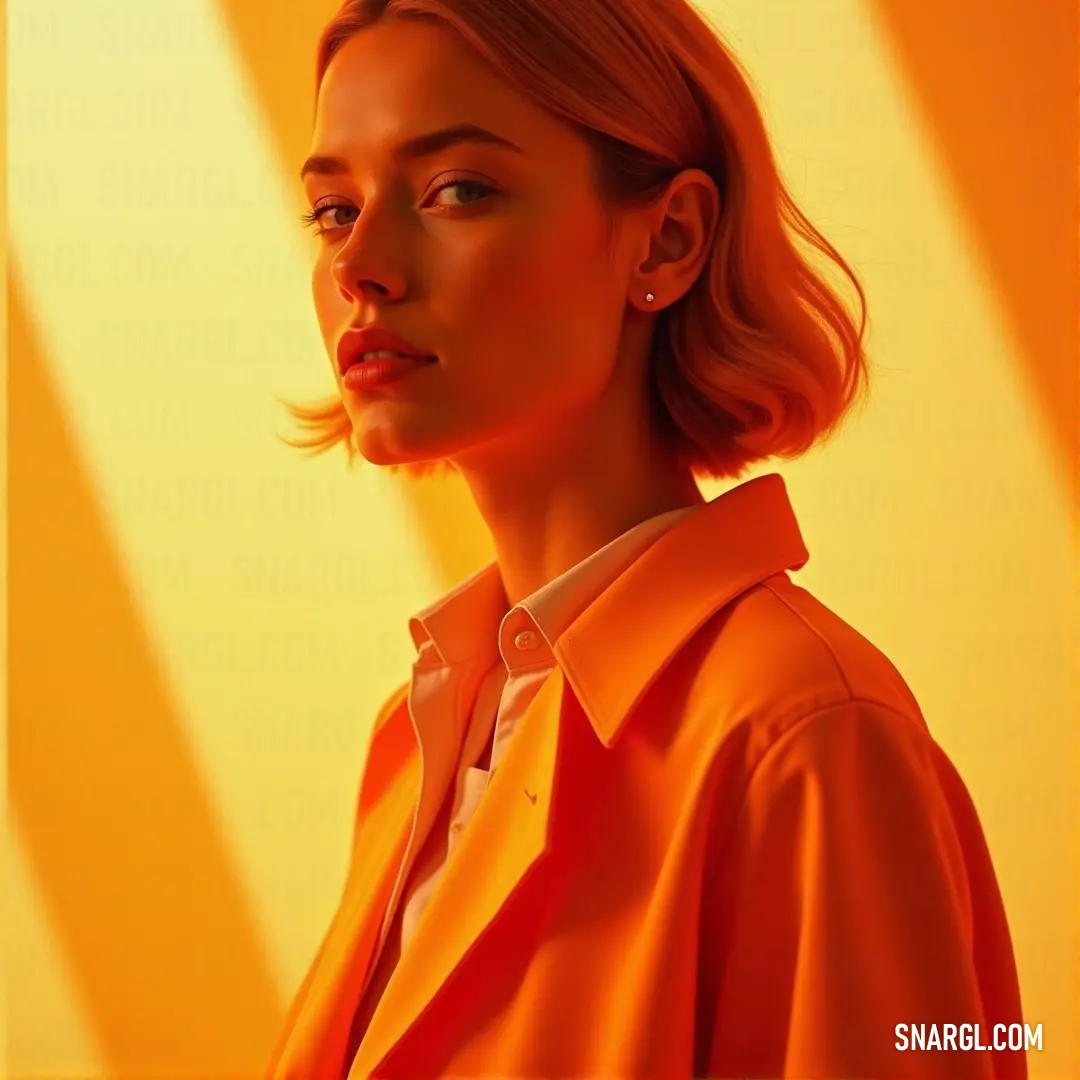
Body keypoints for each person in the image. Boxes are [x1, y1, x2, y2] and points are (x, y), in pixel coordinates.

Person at [265, 1, 1026, 1077]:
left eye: (457, 191)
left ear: (667, 239)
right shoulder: (424, 728)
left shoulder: (804, 738)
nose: (362, 267)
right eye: (333, 211)